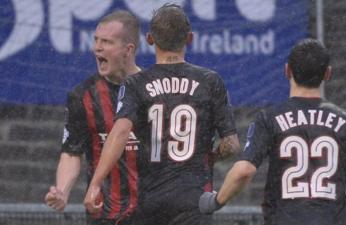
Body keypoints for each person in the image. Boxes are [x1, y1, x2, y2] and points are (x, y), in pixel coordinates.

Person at [199, 38, 346, 225]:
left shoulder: (270, 118)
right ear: (327, 74)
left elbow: (244, 171)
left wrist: (216, 201)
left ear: (287, 71)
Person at [84, 3, 240, 225]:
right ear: (189, 38)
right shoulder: (210, 81)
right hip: (195, 198)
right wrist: (210, 155)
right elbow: (232, 145)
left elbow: (119, 133)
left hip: (151, 199)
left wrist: (96, 183)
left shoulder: (136, 83)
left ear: (150, 39)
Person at [44, 10, 141, 225]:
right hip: (104, 213)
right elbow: (71, 153)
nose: (97, 47)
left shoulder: (154, 91)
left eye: (106, 42)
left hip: (153, 212)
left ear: (128, 50)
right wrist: (62, 190)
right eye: (96, 40)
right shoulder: (83, 96)